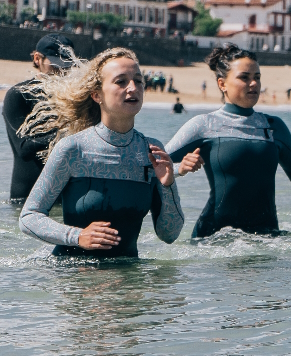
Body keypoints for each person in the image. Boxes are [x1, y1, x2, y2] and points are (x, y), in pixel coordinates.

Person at [18, 48, 183, 257]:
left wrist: (167, 186)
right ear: (97, 95)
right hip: (76, 277)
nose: (133, 88)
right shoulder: (73, 148)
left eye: (138, 80)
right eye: (121, 81)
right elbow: (29, 217)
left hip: (129, 280)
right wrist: (76, 236)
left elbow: (170, 235)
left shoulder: (151, 150)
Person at [166, 44, 291, 238]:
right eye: (244, 78)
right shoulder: (204, 125)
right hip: (214, 240)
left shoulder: (274, 127)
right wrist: (179, 168)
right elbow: (152, 165)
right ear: (222, 84)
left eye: (257, 77)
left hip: (267, 237)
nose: (253, 83)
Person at [5, 34, 77, 202]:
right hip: (28, 196)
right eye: (56, 64)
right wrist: (70, 132)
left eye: (67, 65)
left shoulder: (76, 98)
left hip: (68, 196)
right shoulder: (19, 95)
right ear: (37, 58)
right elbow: (23, 147)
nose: (62, 70)